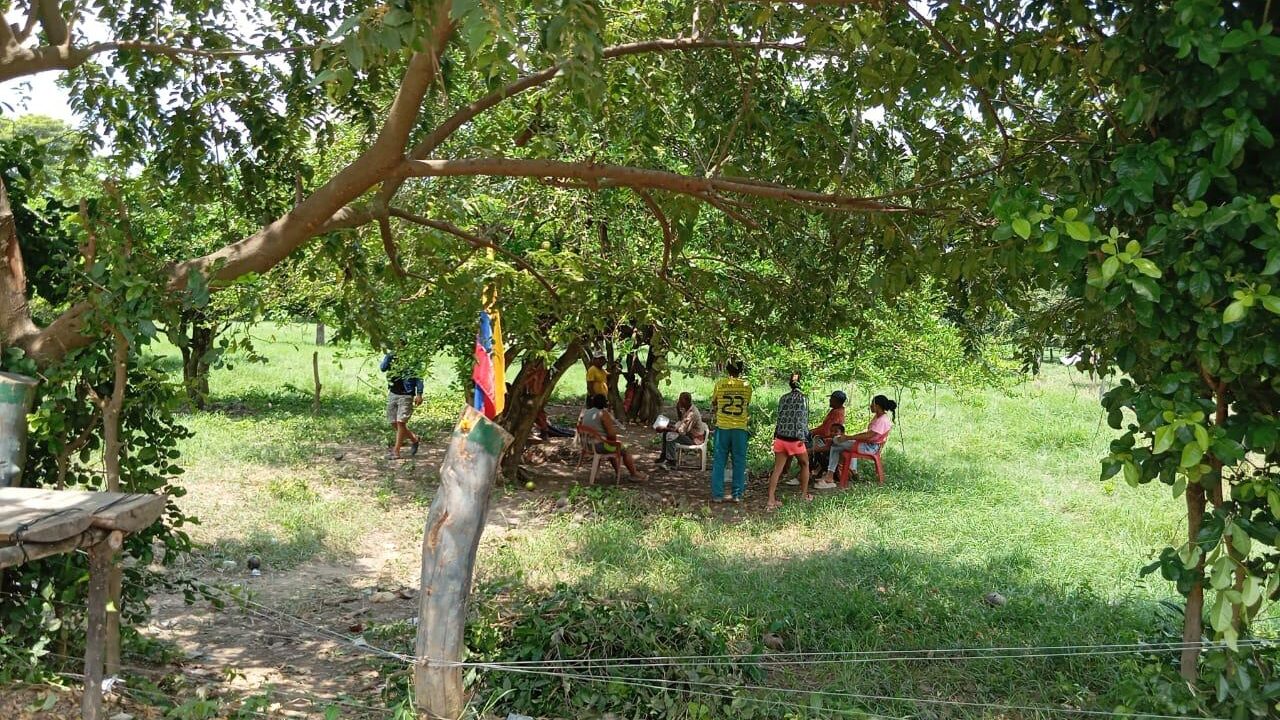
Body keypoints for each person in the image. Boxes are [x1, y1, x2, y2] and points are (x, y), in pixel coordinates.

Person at [766, 374, 812, 510]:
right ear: (801, 384)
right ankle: (803, 495)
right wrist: (803, 437)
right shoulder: (803, 399)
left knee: (777, 470)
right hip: (795, 440)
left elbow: (780, 417)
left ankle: (770, 500)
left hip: (781, 438)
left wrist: (776, 435)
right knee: (805, 464)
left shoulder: (783, 398)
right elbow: (802, 419)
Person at [825, 395, 897, 480]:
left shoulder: (882, 420)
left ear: (877, 406)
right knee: (837, 446)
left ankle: (830, 475)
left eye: (872, 404)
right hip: (868, 444)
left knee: (836, 442)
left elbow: (869, 435)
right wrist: (850, 438)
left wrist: (849, 437)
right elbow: (868, 434)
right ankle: (849, 472)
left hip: (870, 448)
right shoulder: (879, 417)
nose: (870, 406)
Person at [785, 389, 847, 488]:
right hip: (824, 438)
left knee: (805, 448)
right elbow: (824, 427)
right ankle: (802, 473)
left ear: (838, 401)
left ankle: (803, 475)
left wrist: (812, 432)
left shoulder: (837, 413)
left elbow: (827, 431)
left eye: (832, 399)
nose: (830, 401)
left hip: (828, 440)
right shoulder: (835, 411)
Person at [710, 360, 752, 502]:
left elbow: (714, 402)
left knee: (719, 461)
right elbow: (747, 404)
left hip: (723, 428)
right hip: (740, 428)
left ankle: (717, 495)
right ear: (740, 370)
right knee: (739, 462)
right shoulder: (747, 386)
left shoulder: (720, 384)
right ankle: (737, 494)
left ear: (727, 370)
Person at [579, 393, 646, 481]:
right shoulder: (603, 414)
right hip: (598, 446)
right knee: (622, 449)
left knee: (611, 446)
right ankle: (634, 474)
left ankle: (618, 472)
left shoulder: (586, 412)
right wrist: (613, 442)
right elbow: (611, 434)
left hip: (586, 444)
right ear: (604, 403)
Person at [380, 352, 423, 459]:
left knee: (400, 422)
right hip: (393, 393)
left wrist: (419, 394)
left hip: (406, 394)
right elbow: (383, 368)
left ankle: (396, 452)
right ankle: (414, 439)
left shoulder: (413, 358)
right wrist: (389, 356)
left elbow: (419, 377)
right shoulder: (391, 356)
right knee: (393, 422)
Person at [658, 392, 707, 469]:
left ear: (686, 401)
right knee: (666, 433)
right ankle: (664, 456)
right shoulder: (687, 408)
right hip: (688, 434)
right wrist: (678, 408)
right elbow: (680, 422)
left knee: (670, 436)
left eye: (681, 400)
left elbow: (681, 430)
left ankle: (671, 461)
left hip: (694, 439)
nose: (679, 402)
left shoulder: (692, 413)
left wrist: (666, 428)